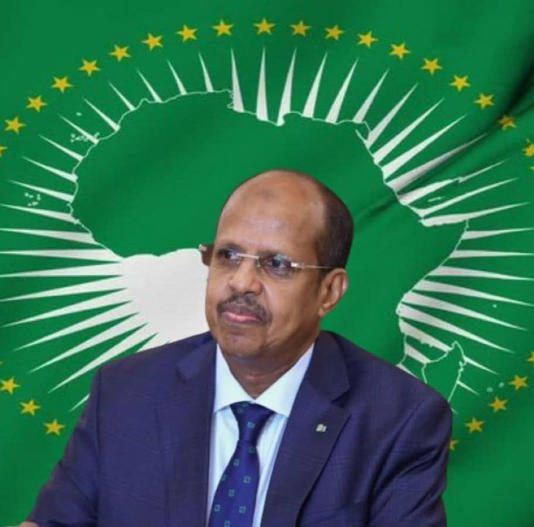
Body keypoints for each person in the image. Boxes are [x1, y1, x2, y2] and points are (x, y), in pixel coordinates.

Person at [22, 169, 451, 527]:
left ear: (329, 291)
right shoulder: (125, 391)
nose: (241, 282)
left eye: (277, 264)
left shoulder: (400, 419)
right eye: (228, 255)